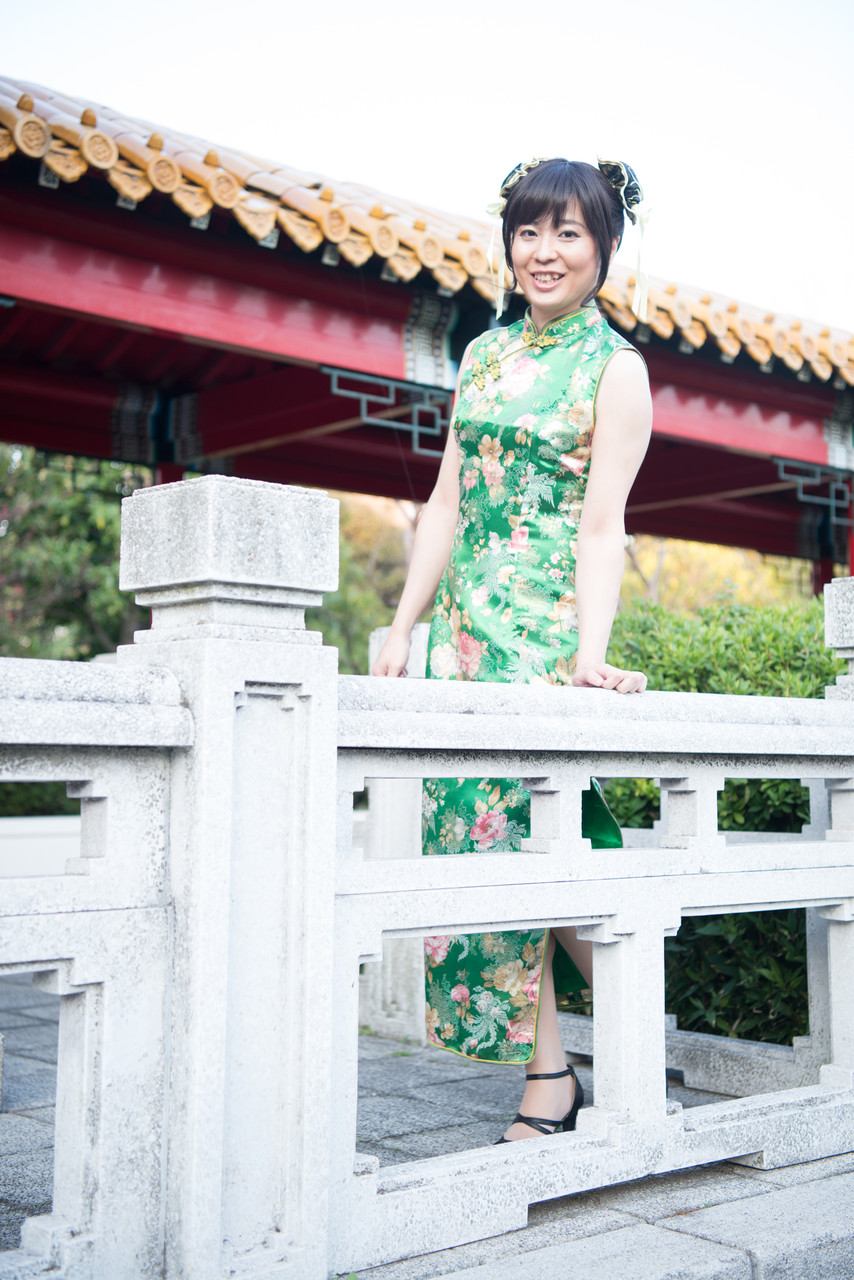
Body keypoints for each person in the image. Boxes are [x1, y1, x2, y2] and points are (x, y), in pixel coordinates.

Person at [372, 157, 652, 1143]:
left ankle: (630, 1026)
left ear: (603, 248)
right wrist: (402, 624)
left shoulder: (615, 369)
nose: (543, 252)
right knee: (480, 857)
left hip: (541, 638)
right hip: (461, 639)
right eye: (528, 231)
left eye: (568, 233)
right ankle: (549, 1074)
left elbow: (601, 526)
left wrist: (588, 652)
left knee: (552, 856)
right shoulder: (484, 354)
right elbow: (446, 498)